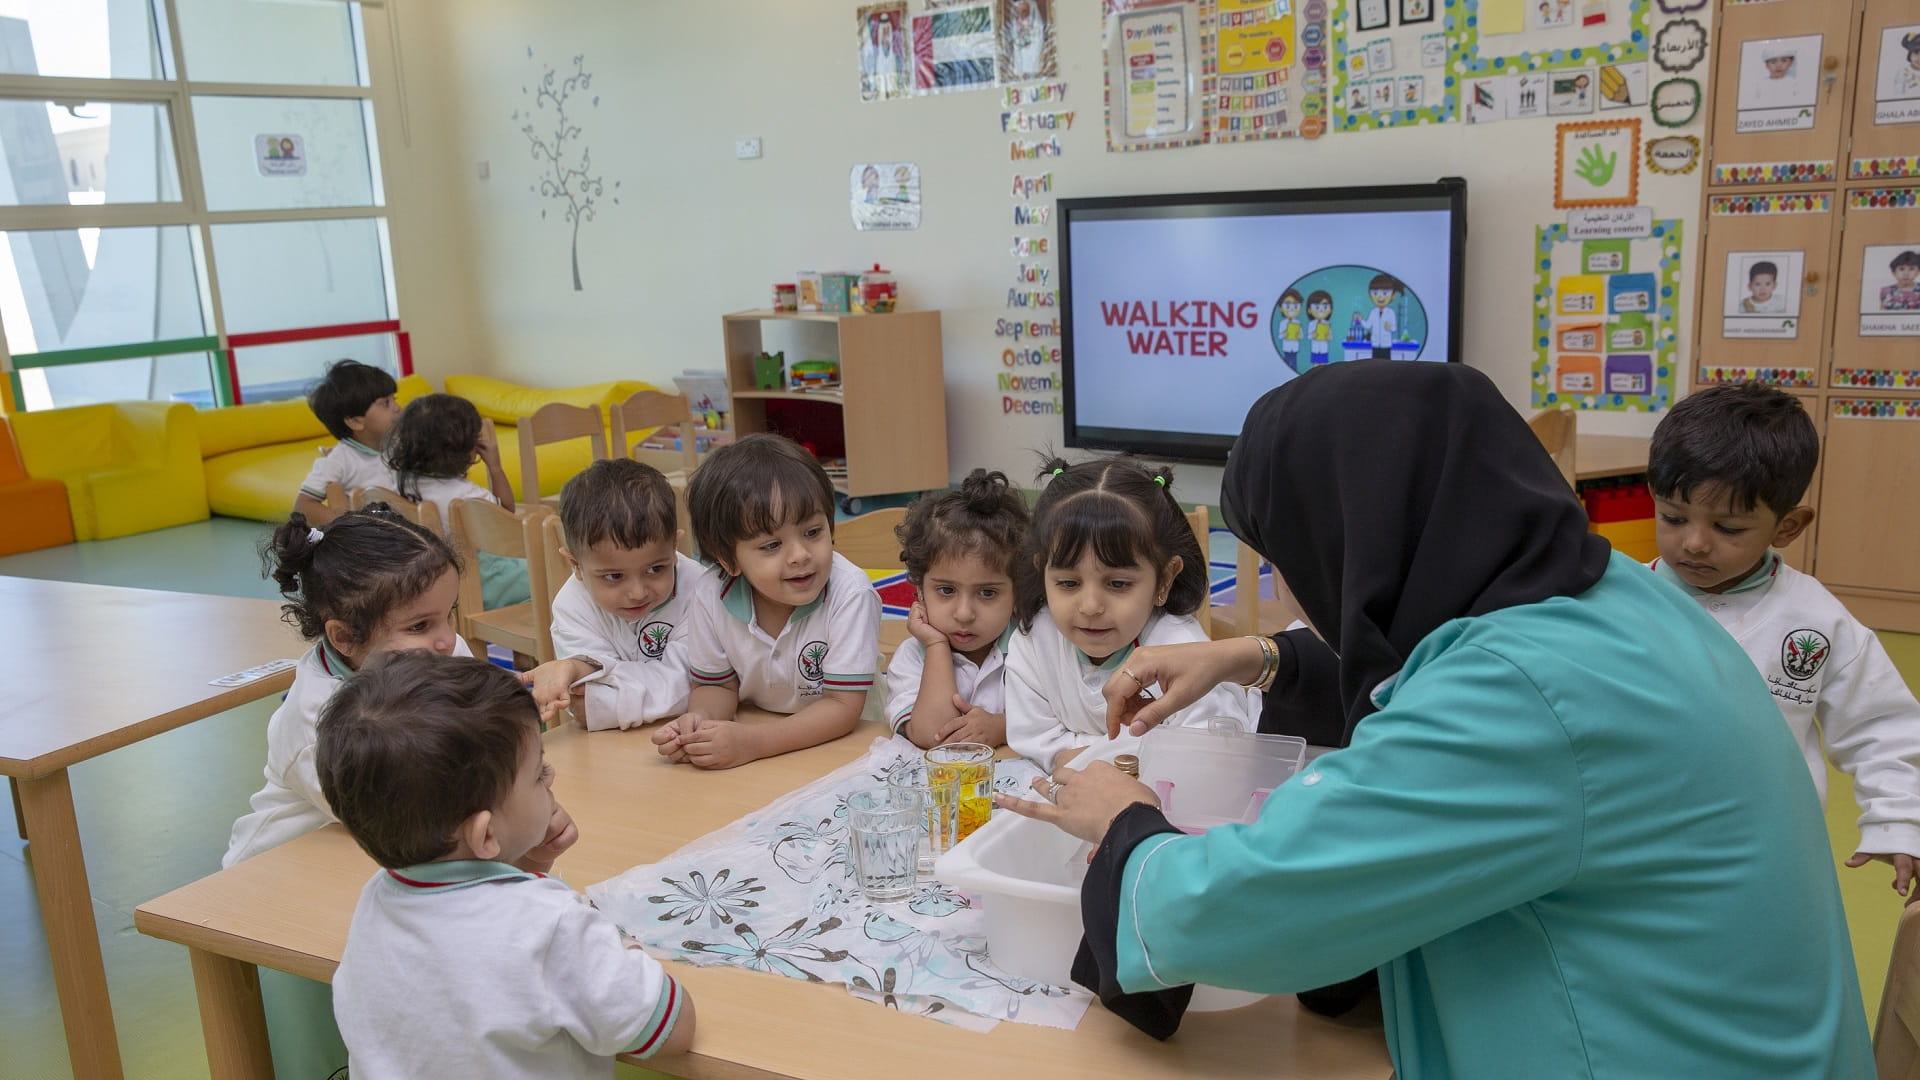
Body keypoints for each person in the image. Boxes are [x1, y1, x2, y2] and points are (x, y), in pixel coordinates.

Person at [999, 362, 1871, 1076]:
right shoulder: (1615, 592)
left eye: (1296, 555)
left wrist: (1125, 826)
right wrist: (1257, 656)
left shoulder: (1518, 696)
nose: (1301, 594)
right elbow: (1433, 682)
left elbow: (1260, 906)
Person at [321, 651, 694, 1076]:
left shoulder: (379, 895)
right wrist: (621, 947)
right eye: (538, 774)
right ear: (486, 836)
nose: (551, 779)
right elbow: (671, 1032)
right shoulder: (551, 922)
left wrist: (528, 861)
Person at [1649, 383, 1920, 900]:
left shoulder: (1816, 622)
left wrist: (1899, 819)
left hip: (1767, 855)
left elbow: (1882, 727)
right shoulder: (1617, 600)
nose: (1695, 542)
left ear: (1788, 526)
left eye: (1728, 527)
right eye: (1674, 517)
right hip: (1638, 848)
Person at [225, 506, 467, 868]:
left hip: (368, 854)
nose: (448, 639)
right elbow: (393, 816)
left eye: (449, 614)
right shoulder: (315, 726)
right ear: (345, 637)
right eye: (420, 626)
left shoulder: (435, 650)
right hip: (276, 873)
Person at [1005, 458, 1256, 772]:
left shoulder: (1182, 650)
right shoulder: (1034, 640)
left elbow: (1210, 749)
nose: (1090, 606)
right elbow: (1036, 738)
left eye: (1118, 584)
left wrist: (1083, 753)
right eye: (1068, 583)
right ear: (1041, 570)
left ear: (1164, 579)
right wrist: (1122, 752)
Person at [654, 433, 879, 769]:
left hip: (852, 746)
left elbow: (842, 707)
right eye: (772, 545)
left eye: (813, 532)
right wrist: (699, 724)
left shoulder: (850, 593)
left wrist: (753, 743)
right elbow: (716, 686)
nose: (801, 555)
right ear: (727, 560)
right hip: (764, 746)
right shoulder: (710, 595)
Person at [520, 459, 706, 730]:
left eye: (655, 569)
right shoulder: (571, 605)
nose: (637, 592)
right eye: (614, 576)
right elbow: (584, 696)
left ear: (674, 546)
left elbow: (699, 683)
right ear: (576, 565)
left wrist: (605, 703)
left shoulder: (698, 588)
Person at [885, 469, 1030, 749]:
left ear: (1018, 592)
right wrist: (936, 646)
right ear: (919, 589)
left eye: (987, 593)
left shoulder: (1031, 646)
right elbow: (934, 736)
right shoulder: (913, 657)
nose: (964, 613)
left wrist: (1001, 728)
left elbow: (1059, 720)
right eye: (946, 591)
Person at [385, 393, 527, 609]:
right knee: (554, 567)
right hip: (480, 585)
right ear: (467, 447)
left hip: (426, 584)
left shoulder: (400, 486)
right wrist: (495, 467)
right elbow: (507, 515)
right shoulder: (468, 496)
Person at [293, 359, 399, 525]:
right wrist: (348, 527)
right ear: (356, 422)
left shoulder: (400, 444)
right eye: (385, 403)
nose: (397, 407)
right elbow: (303, 506)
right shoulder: (339, 460)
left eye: (394, 399)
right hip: (374, 541)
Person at [1359, 274, 1400, 360]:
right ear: (1370, 296)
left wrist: (1389, 327)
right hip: (1375, 344)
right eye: (1375, 293)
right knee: (1375, 367)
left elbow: (1394, 328)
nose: (1380, 297)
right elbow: (1368, 326)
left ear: (1392, 295)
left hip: (1386, 345)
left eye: (1385, 293)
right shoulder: (1373, 312)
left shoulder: (1391, 312)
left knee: (1387, 367)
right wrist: (1361, 320)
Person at [1273, 289, 1306, 374]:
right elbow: (1280, 335)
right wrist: (1285, 334)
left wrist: (1298, 335)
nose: (1291, 309)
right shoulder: (1283, 323)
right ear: (1281, 308)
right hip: (1287, 346)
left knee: (1294, 361)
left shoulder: (1298, 323)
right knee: (1287, 361)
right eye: (1287, 306)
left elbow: (1301, 335)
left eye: (1295, 306)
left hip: (1295, 345)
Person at [1306, 289, 1335, 366]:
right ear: (1309, 310)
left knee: (1323, 366)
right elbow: (1309, 336)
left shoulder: (1327, 324)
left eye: (1325, 307)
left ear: (1330, 310)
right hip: (1315, 348)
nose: (1321, 310)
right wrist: (1313, 335)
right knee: (1315, 366)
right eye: (1317, 307)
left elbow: (1331, 337)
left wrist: (1328, 336)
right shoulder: (1312, 323)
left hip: (1324, 348)